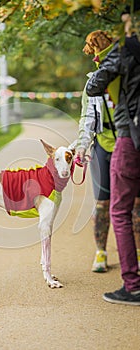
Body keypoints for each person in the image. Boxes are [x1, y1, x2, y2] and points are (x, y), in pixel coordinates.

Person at [86, 5, 140, 305]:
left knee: (119, 211)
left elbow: (94, 86)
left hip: (129, 139)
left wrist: (108, 62)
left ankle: (132, 286)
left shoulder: (126, 50)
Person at [74, 30, 140, 273]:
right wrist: (82, 145)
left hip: (129, 143)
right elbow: (87, 118)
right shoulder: (94, 82)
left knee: (135, 204)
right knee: (102, 203)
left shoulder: (128, 76)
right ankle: (100, 251)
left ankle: (138, 253)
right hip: (103, 146)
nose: (95, 59)